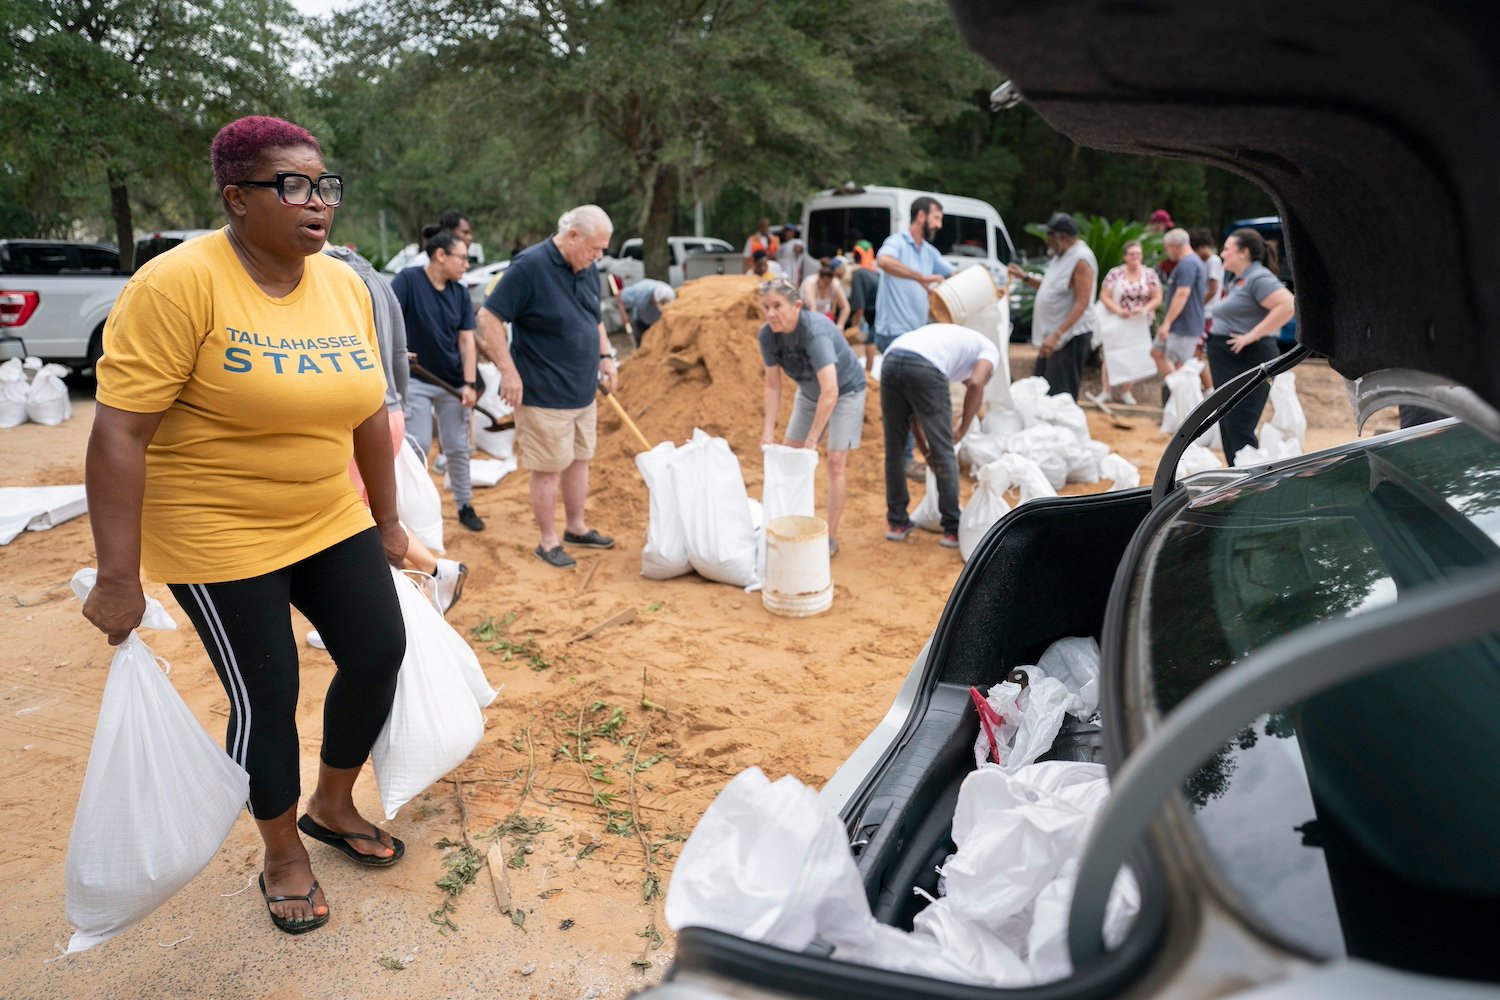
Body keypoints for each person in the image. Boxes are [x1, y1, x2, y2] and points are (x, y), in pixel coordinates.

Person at [82, 115, 408, 936]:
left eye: (325, 185)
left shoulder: (342, 284)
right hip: (216, 528)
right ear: (236, 198)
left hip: (327, 514)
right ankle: (281, 854)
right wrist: (120, 577)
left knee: (378, 651)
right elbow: (119, 432)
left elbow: (369, 410)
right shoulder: (177, 285)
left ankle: (332, 806)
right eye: (292, 186)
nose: (317, 202)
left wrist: (389, 519)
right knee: (267, 693)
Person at [323, 242, 467, 614]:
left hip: (360, 418)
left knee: (351, 522)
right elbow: (400, 357)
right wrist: (397, 406)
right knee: (370, 514)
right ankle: (435, 571)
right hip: (389, 413)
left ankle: (374, 605)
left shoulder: (324, 278)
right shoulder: (376, 277)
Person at [478, 205, 619, 569]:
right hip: (543, 392)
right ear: (572, 236)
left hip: (582, 389)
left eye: (603, 249)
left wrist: (606, 356)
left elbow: (594, 317)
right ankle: (548, 541)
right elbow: (489, 318)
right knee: (549, 467)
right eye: (595, 248)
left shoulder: (587, 267)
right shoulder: (529, 267)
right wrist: (508, 372)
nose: (599, 256)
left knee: (579, 460)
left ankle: (576, 527)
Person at [757, 278, 867, 555]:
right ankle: (788, 522)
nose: (770, 313)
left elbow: (831, 391)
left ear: (796, 306)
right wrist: (767, 431)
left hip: (846, 391)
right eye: (766, 307)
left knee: (835, 462)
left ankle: (830, 536)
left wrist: (812, 439)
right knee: (789, 454)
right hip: (809, 392)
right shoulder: (767, 336)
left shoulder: (814, 332)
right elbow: (772, 385)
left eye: (777, 306)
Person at [393, 226, 485, 532]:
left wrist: (470, 384)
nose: (466, 264)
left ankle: (464, 504)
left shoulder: (460, 293)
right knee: (418, 444)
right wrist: (397, 350)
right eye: (462, 258)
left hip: (453, 382)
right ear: (440, 255)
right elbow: (388, 317)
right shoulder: (408, 280)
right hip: (417, 378)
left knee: (457, 446)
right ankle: (417, 511)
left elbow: (467, 342)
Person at [880, 323, 997, 549]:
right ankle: (952, 528)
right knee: (945, 451)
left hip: (891, 360)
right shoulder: (989, 350)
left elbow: (914, 416)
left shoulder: (954, 343)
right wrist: (962, 429)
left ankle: (897, 523)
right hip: (924, 365)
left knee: (894, 450)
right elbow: (975, 383)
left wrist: (925, 452)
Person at [1208, 227, 1296, 463]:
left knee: (1239, 425)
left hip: (1248, 358)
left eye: (1227, 249)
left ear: (1243, 252)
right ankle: (1236, 478)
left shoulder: (1259, 277)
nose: (1222, 254)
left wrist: (1251, 335)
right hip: (1230, 358)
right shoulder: (1240, 279)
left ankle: (1250, 486)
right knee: (1229, 423)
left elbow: (1288, 305)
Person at [1007, 212, 1096, 400]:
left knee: (1060, 395)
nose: (1046, 241)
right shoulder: (1060, 257)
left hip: (1069, 337)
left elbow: (1083, 302)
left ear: (1062, 237)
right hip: (1054, 337)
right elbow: (1051, 288)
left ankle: (1062, 429)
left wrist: (1057, 334)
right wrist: (1025, 277)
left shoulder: (1081, 260)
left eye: (1050, 235)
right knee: (1043, 389)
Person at [1093, 239, 1161, 404]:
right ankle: (1106, 390)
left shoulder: (1150, 274)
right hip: (1117, 319)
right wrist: (1118, 311)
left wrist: (1144, 309)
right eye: (1132, 254)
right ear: (1125, 257)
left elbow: (1157, 297)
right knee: (1111, 353)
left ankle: (1126, 391)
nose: (1135, 257)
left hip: (1139, 322)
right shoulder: (1115, 273)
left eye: (1138, 254)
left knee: (1133, 354)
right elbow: (1104, 296)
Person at [1150, 228, 1207, 397]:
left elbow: (1182, 294)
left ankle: (1178, 397)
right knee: (1157, 352)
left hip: (1184, 325)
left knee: (1179, 365)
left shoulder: (1188, 264)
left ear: (1174, 245)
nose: (1167, 252)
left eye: (1167, 248)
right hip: (1180, 324)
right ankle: (1175, 391)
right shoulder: (1189, 262)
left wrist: (1166, 323)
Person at [1190, 228, 1224, 391]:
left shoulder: (1213, 261)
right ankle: (1204, 388)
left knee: (1196, 354)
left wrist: (1196, 305)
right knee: (1195, 354)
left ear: (1202, 246)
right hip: (1202, 313)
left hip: (1208, 314)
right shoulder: (1204, 261)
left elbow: (1212, 289)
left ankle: (1209, 390)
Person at [407, 210, 473, 269]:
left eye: (470, 233)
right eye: (465, 232)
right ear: (449, 231)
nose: (470, 238)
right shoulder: (421, 263)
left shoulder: (459, 268)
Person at [847, 261, 881, 373]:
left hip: (877, 309)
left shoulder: (857, 276)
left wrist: (854, 327)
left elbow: (859, 307)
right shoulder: (865, 272)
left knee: (870, 340)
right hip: (879, 306)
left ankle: (868, 372)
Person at [799, 257, 851, 328]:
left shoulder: (834, 284)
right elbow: (812, 308)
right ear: (819, 278)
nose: (828, 285)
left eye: (830, 282)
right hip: (807, 319)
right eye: (826, 283)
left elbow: (845, 307)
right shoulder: (810, 284)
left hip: (823, 319)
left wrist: (840, 325)